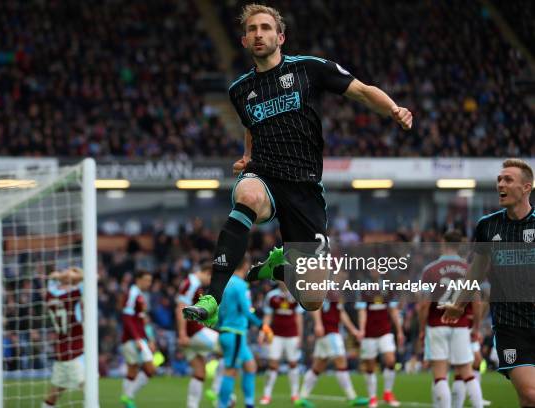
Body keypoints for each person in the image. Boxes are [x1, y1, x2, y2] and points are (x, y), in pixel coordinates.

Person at [183, 3, 412, 327]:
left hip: (305, 187)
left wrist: (393, 109)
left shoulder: (310, 69)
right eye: (252, 29)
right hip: (264, 175)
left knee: (313, 299)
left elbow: (360, 91)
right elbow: (252, 125)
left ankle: (279, 267)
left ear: (281, 36)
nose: (258, 34)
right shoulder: (239, 90)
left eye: (265, 28)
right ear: (244, 41)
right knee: (247, 197)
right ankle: (212, 298)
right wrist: (248, 157)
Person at [441, 158, 535, 407]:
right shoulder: (487, 225)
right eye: (499, 180)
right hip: (511, 324)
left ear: (527, 187)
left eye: (508, 179)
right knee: (530, 394)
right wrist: (459, 304)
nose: (500, 184)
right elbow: (476, 271)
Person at [418, 230, 483, 408]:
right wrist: (476, 328)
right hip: (461, 325)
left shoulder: (430, 270)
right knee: (467, 373)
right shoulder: (469, 269)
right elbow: (477, 303)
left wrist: (422, 329)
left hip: (437, 324)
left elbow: (424, 305)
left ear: (442, 243)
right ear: (460, 245)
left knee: (440, 375)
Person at [216, 255, 271, 408]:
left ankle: (249, 404)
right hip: (235, 333)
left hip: (228, 332)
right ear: (245, 265)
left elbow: (220, 312)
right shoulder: (240, 285)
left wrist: (220, 328)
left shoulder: (226, 284)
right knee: (230, 371)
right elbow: (246, 311)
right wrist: (262, 326)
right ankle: (221, 405)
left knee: (250, 366)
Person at [296, 296, 368, 407]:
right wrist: (318, 323)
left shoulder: (334, 290)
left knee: (317, 367)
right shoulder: (322, 285)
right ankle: (352, 397)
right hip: (329, 332)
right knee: (341, 361)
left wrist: (353, 330)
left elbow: (341, 312)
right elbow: (315, 305)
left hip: (330, 331)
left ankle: (301, 398)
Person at [175, 262, 221, 408]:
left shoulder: (191, 283)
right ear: (207, 272)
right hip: (193, 333)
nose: (211, 282)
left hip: (190, 334)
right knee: (229, 348)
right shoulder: (191, 283)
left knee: (199, 371)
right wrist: (182, 334)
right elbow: (181, 308)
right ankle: (217, 392)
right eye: (211, 278)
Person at [42, 267, 85, 408]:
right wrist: (72, 274)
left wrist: (61, 275)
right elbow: (90, 277)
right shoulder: (74, 294)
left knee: (55, 392)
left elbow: (52, 278)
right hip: (76, 349)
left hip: (61, 349)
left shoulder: (50, 295)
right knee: (89, 389)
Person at [356, 283, 404, 408]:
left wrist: (399, 331)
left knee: (391, 361)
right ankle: (372, 397)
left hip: (385, 332)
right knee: (370, 367)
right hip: (369, 334)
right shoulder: (362, 289)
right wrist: (361, 329)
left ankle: (388, 393)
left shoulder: (388, 288)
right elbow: (362, 312)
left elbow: (393, 311)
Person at [259, 282, 303, 405]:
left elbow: (299, 317)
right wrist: (263, 333)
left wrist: (300, 336)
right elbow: (268, 316)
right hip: (276, 335)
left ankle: (295, 395)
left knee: (293, 363)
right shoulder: (271, 296)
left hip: (292, 335)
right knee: (273, 364)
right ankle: (267, 395)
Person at [120, 271, 155, 408]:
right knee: (150, 369)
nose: (149, 283)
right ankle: (128, 396)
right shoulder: (132, 293)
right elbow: (127, 317)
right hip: (133, 338)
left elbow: (142, 321)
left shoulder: (140, 295)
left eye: (150, 280)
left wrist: (150, 339)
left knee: (132, 370)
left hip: (139, 337)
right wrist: (137, 339)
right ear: (138, 279)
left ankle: (127, 400)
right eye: (146, 280)